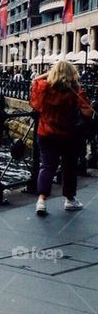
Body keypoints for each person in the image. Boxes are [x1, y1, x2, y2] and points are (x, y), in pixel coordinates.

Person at [29, 59, 94, 215]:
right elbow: (88, 111)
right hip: (68, 134)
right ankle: (69, 199)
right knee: (69, 166)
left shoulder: (44, 88)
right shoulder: (75, 91)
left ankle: (41, 200)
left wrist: (51, 73)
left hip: (46, 132)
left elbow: (35, 81)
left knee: (46, 166)